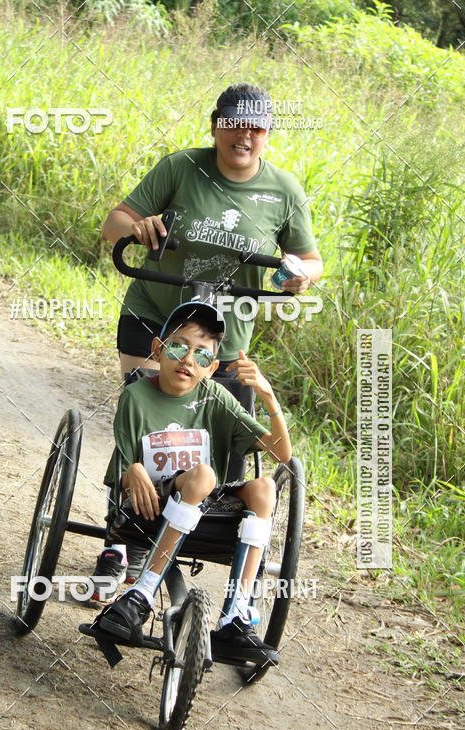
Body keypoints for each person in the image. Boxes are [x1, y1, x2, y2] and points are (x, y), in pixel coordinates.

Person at [91, 82, 321, 592]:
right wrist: (138, 227)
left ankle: (200, 541)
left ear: (267, 133)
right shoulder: (181, 167)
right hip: (157, 315)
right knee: (148, 420)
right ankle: (121, 543)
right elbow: (113, 224)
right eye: (234, 124)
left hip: (225, 336)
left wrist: (303, 275)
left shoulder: (284, 191)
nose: (244, 135)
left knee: (223, 446)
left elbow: (309, 259)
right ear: (216, 125)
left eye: (256, 127)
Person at [87, 300, 292, 661]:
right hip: (150, 504)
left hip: (205, 504)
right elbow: (121, 467)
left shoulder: (214, 396)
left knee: (264, 486)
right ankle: (141, 594)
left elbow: (281, 454)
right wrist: (133, 469)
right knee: (203, 474)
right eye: (179, 346)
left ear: (211, 368)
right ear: (158, 349)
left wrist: (267, 395)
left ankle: (235, 617)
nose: (187, 360)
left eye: (201, 355)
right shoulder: (136, 396)